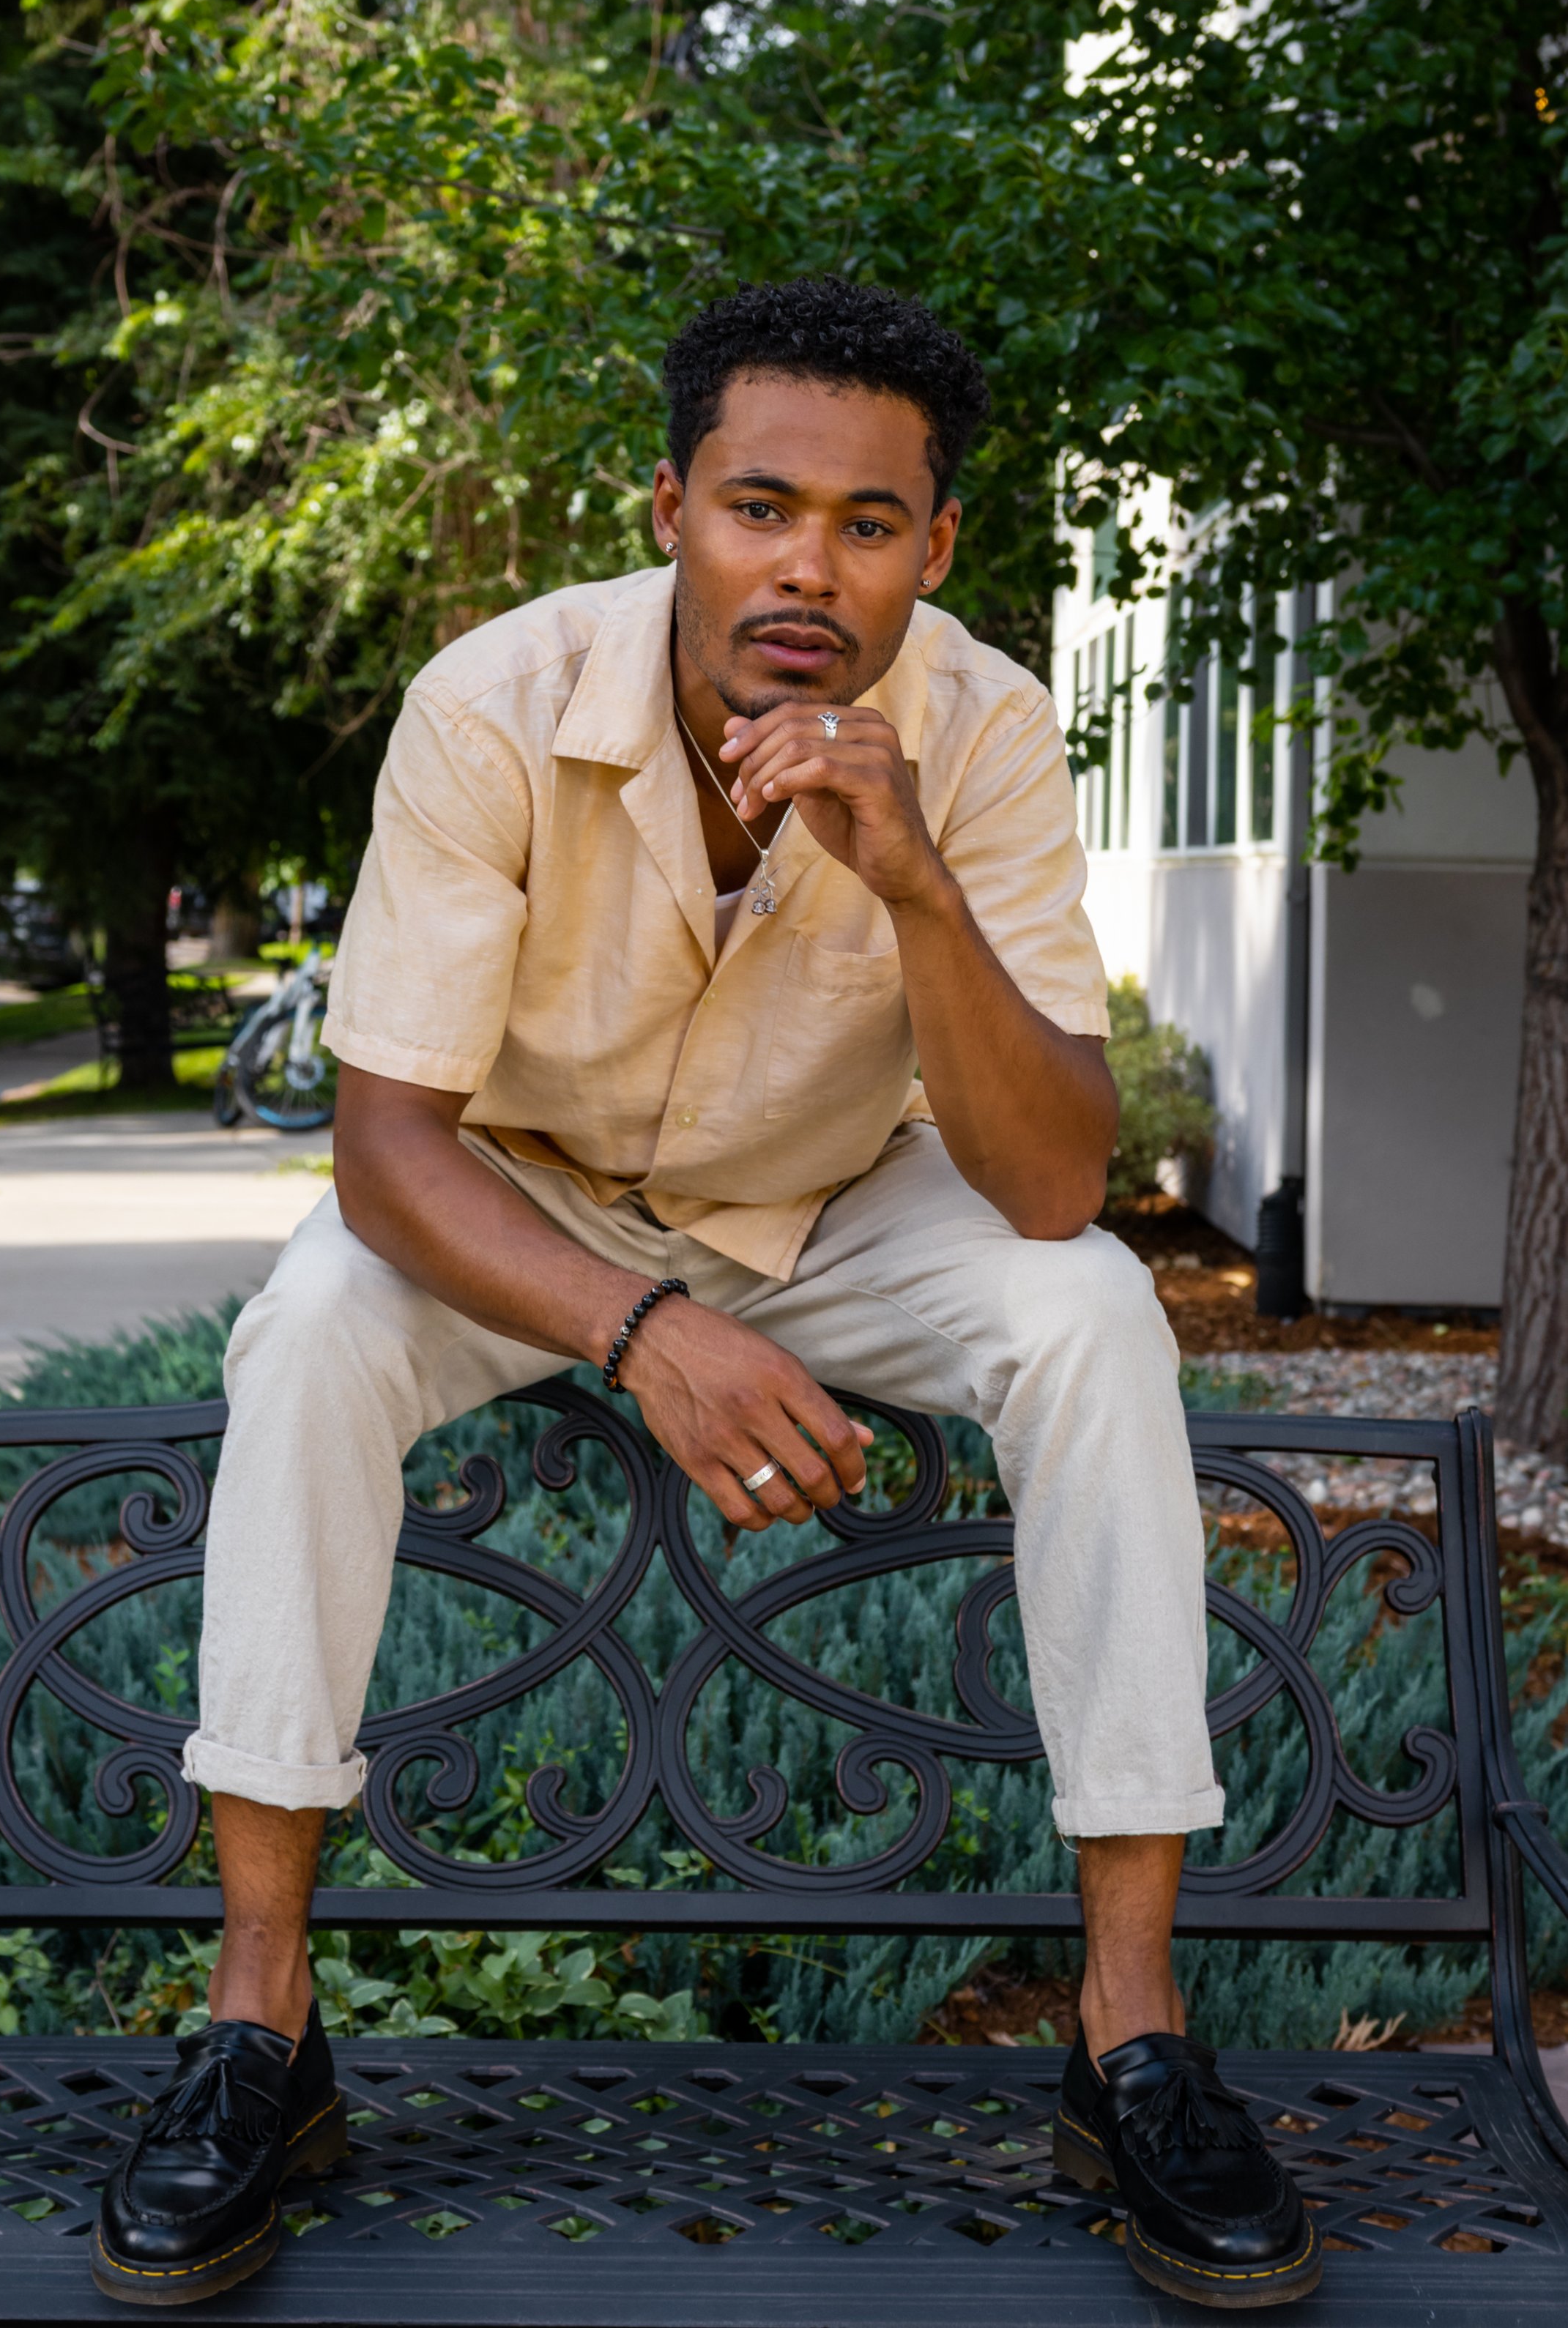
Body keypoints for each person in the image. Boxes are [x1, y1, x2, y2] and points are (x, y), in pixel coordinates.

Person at [92, 277, 1317, 2312]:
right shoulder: (492, 701)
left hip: (838, 1206)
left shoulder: (986, 729)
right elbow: (384, 1150)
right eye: (761, 506)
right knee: (308, 1329)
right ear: (667, 506)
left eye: (863, 524)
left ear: (935, 547)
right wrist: (639, 1333)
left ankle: (1129, 2040)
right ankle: (258, 2027)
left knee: (1093, 1311)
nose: (804, 566)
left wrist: (912, 871)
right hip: (514, 1207)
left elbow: (1042, 1177)